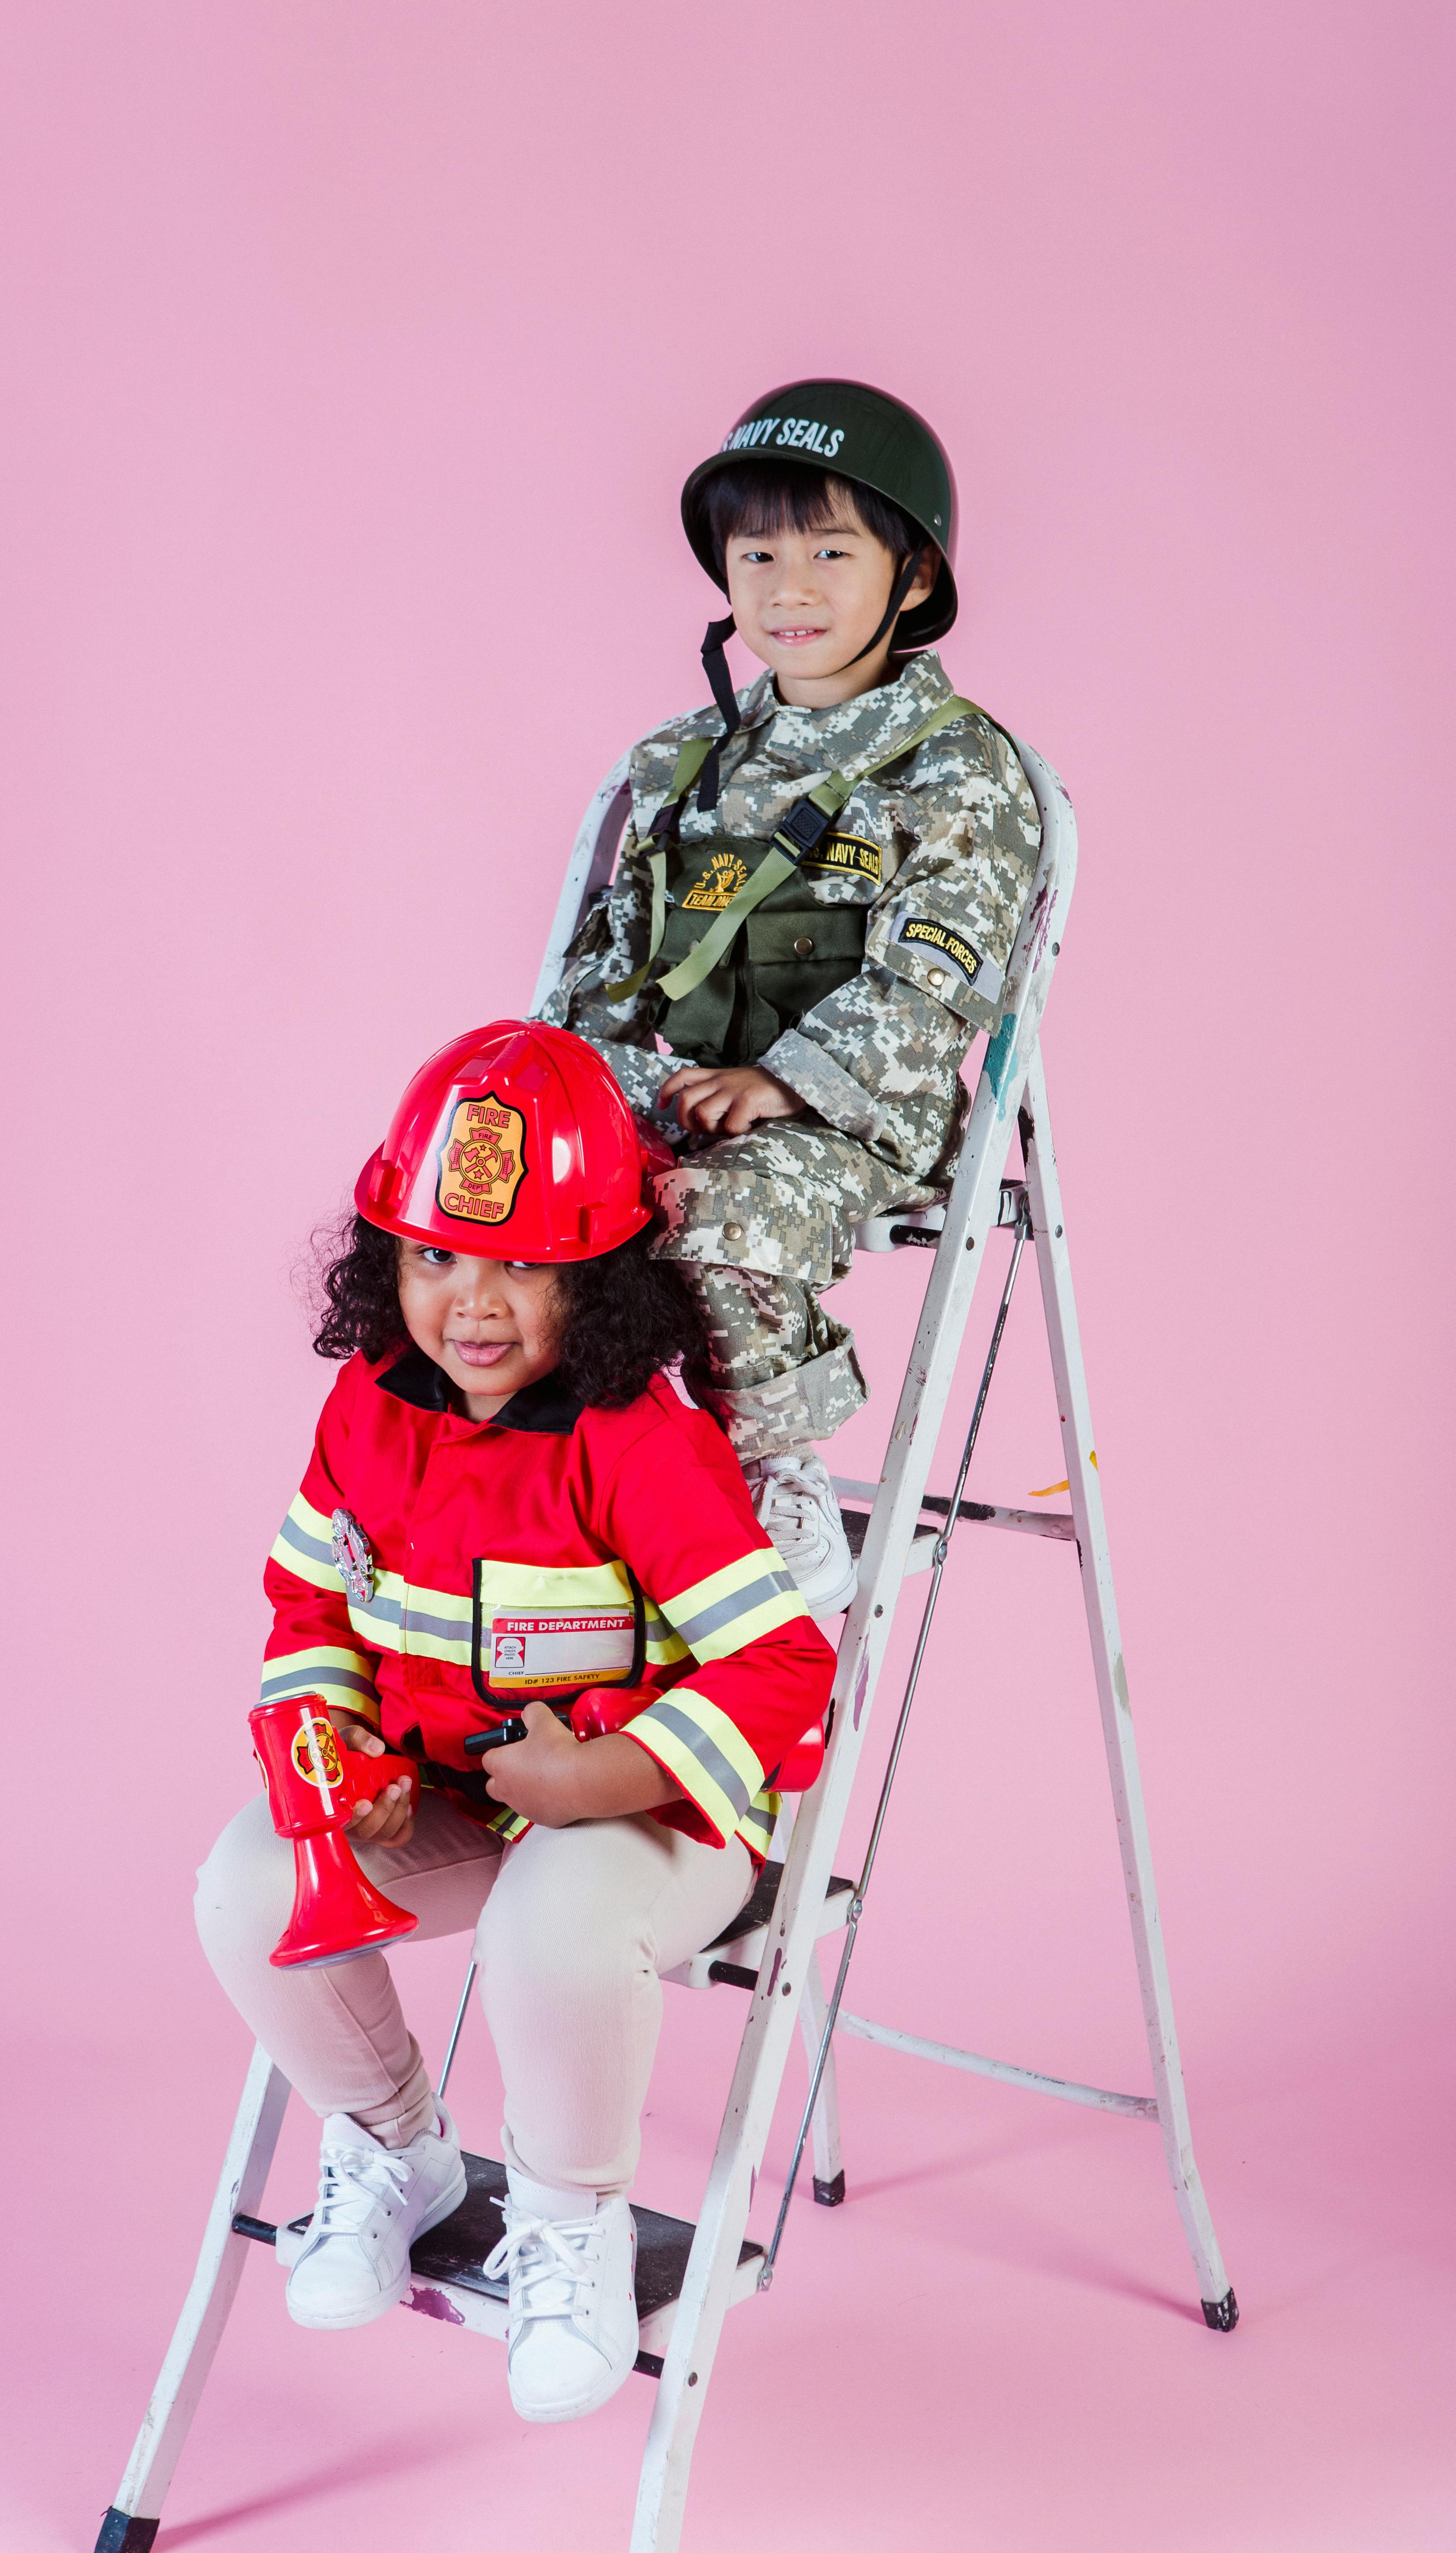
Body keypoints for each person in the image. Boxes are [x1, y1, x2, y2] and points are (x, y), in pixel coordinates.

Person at [195, 1019, 834, 2424]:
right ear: (388, 1260)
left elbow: (784, 1669)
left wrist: (600, 1774)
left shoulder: (637, 1441)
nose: (471, 1304)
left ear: (594, 1281)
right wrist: (337, 1775)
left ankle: (569, 2230)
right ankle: (395, 2154)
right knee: (242, 1889)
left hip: (652, 1817)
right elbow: (305, 1618)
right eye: (436, 1256)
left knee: (550, 1926)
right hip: (453, 1797)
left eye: (523, 1267)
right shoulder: (365, 1412)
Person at [540, 378, 1042, 1615]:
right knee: (492, 1171)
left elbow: (934, 992)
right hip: (678, 1088)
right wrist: (554, 1099)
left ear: (913, 576)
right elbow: (602, 967)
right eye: (757, 552)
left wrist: (782, 1084)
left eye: (830, 549)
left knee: (713, 1210)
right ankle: (542, 1478)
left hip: (860, 1114)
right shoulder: (678, 763)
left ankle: (772, 1484)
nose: (789, 587)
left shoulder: (958, 772)